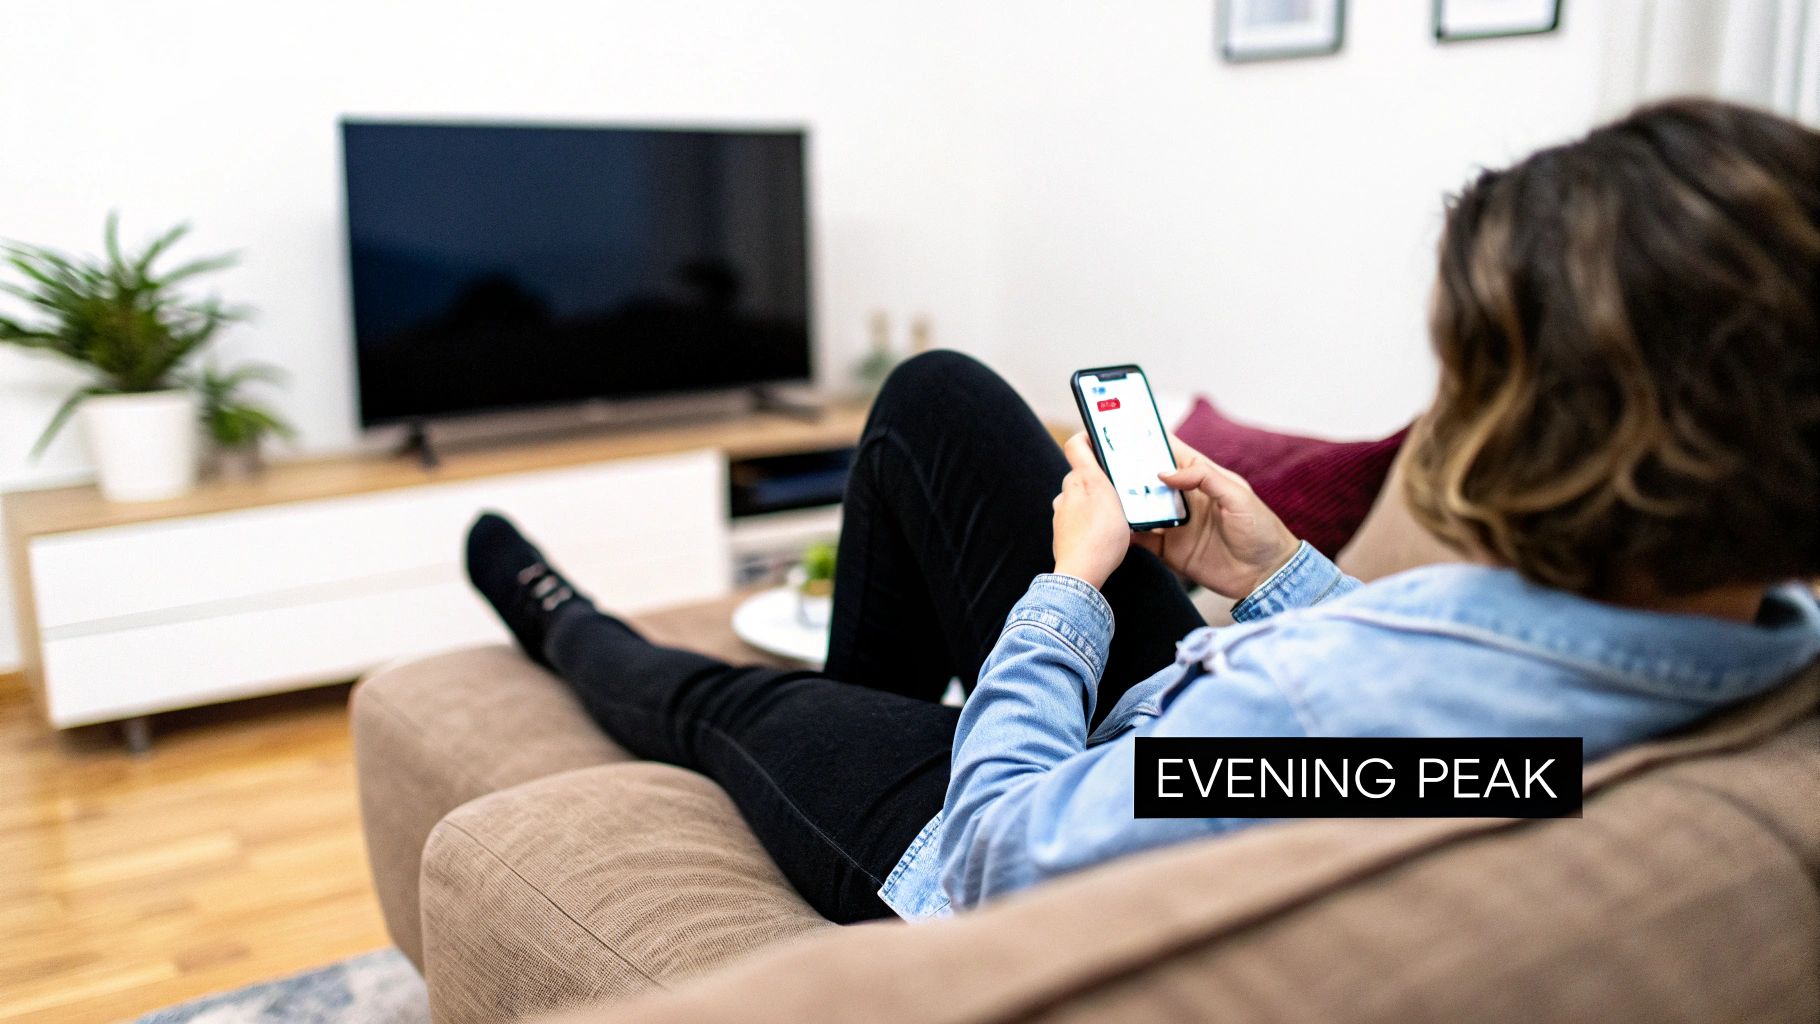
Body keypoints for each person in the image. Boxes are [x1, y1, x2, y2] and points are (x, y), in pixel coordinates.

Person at [464, 98, 1820, 925]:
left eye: (1468, 365)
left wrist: (1065, 592)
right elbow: (1429, 723)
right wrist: (1277, 571)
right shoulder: (1763, 639)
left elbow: (1006, 852)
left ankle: (559, 619)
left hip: (981, 834)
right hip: (1148, 733)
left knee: (711, 701)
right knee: (938, 398)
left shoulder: (1306, 736)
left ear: (1545, 423)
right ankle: (870, 723)